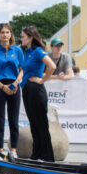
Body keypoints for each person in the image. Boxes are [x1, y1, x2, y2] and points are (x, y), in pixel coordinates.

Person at [0, 24, 24, 158]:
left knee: (14, 119)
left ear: (11, 35)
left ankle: (14, 149)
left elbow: (22, 70)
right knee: (0, 119)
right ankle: (0, 148)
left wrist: (15, 83)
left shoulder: (17, 50)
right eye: (2, 32)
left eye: (7, 32)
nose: (5, 35)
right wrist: (2, 86)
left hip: (14, 86)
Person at [20, 26, 57, 162]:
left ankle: (47, 157)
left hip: (36, 89)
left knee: (41, 124)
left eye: (23, 36)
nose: (21, 38)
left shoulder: (38, 51)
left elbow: (52, 66)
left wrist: (42, 80)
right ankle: (36, 154)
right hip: (27, 89)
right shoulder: (27, 52)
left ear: (30, 37)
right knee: (33, 124)